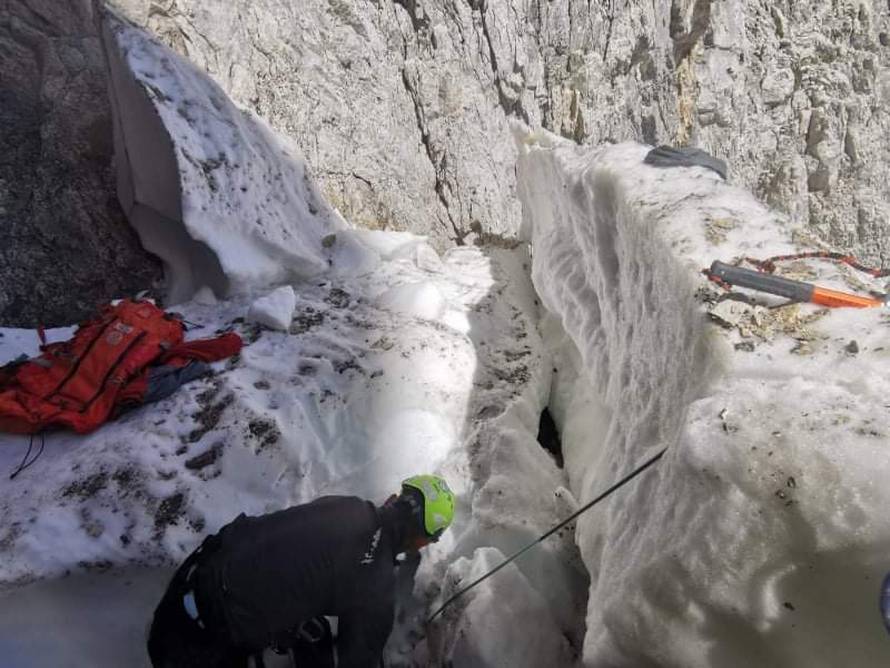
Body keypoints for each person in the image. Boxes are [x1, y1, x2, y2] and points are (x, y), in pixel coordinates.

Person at [147, 474, 455, 668]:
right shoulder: (375, 588)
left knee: (310, 621)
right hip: (195, 649)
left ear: (394, 499)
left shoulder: (345, 506)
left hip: (188, 583)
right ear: (422, 540)